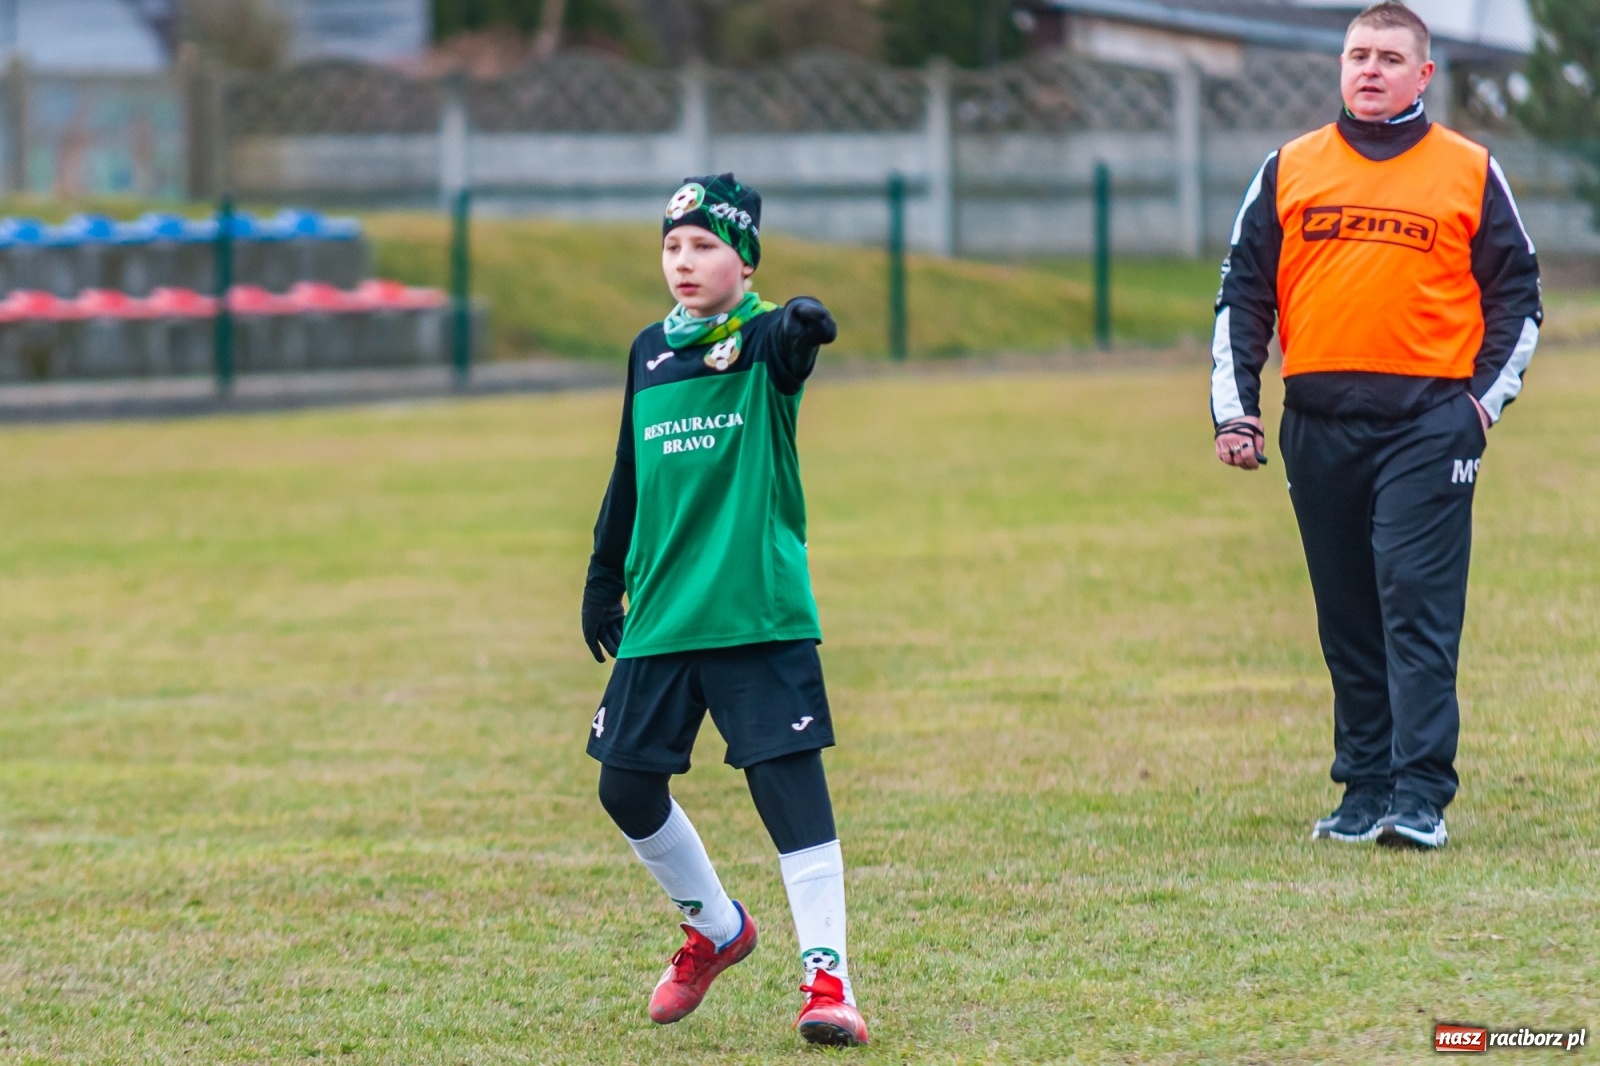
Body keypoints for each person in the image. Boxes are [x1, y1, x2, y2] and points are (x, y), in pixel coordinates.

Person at [1210, 2, 1541, 849]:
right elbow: (1242, 293)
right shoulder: (1290, 168)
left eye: (1391, 58)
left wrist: (1476, 406)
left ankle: (1421, 795)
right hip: (1317, 426)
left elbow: (1520, 299)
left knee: (1413, 604)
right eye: (1358, 54)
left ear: (1423, 75)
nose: (1370, 68)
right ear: (1340, 65)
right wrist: (1237, 409)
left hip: (1429, 427)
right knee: (1348, 613)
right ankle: (1363, 790)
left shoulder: (1468, 169)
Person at [580, 173, 869, 1046]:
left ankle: (828, 984)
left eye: (705, 245)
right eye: (672, 246)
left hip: (756, 611)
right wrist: (602, 572)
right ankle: (714, 929)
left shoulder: (759, 341)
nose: (684, 261)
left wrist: (802, 326)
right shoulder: (648, 351)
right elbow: (630, 469)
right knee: (625, 784)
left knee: (789, 791)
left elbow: (787, 344)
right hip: (665, 611)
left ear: (744, 259)